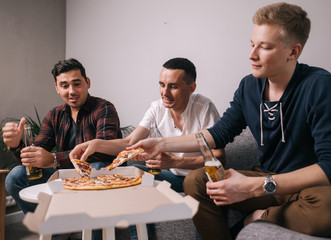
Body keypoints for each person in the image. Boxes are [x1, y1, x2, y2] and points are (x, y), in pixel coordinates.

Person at [129, 3, 331, 239]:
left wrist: (254, 187)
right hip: (267, 181)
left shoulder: (321, 86)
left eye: (265, 47)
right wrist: (161, 144)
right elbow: (217, 134)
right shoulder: (249, 86)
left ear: (293, 52)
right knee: (196, 180)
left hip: (309, 189)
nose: (252, 55)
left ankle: (259, 218)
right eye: (252, 45)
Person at [70, 57, 224, 240]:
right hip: (170, 176)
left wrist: (175, 161)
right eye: (161, 85)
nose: (164, 92)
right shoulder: (156, 108)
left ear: (191, 88)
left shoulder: (204, 108)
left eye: (173, 86)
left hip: (199, 177)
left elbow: (219, 158)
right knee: (127, 174)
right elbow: (129, 143)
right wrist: (95, 144)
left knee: (199, 185)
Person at [3, 58, 122, 215]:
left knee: (98, 167)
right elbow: (36, 157)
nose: (71, 91)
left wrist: (53, 160)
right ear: (57, 88)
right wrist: (17, 145)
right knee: (15, 176)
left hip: (98, 176)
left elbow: (105, 149)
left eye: (77, 84)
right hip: (64, 176)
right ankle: (54, 228)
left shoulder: (103, 108)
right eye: (64, 86)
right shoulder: (55, 115)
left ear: (87, 82)